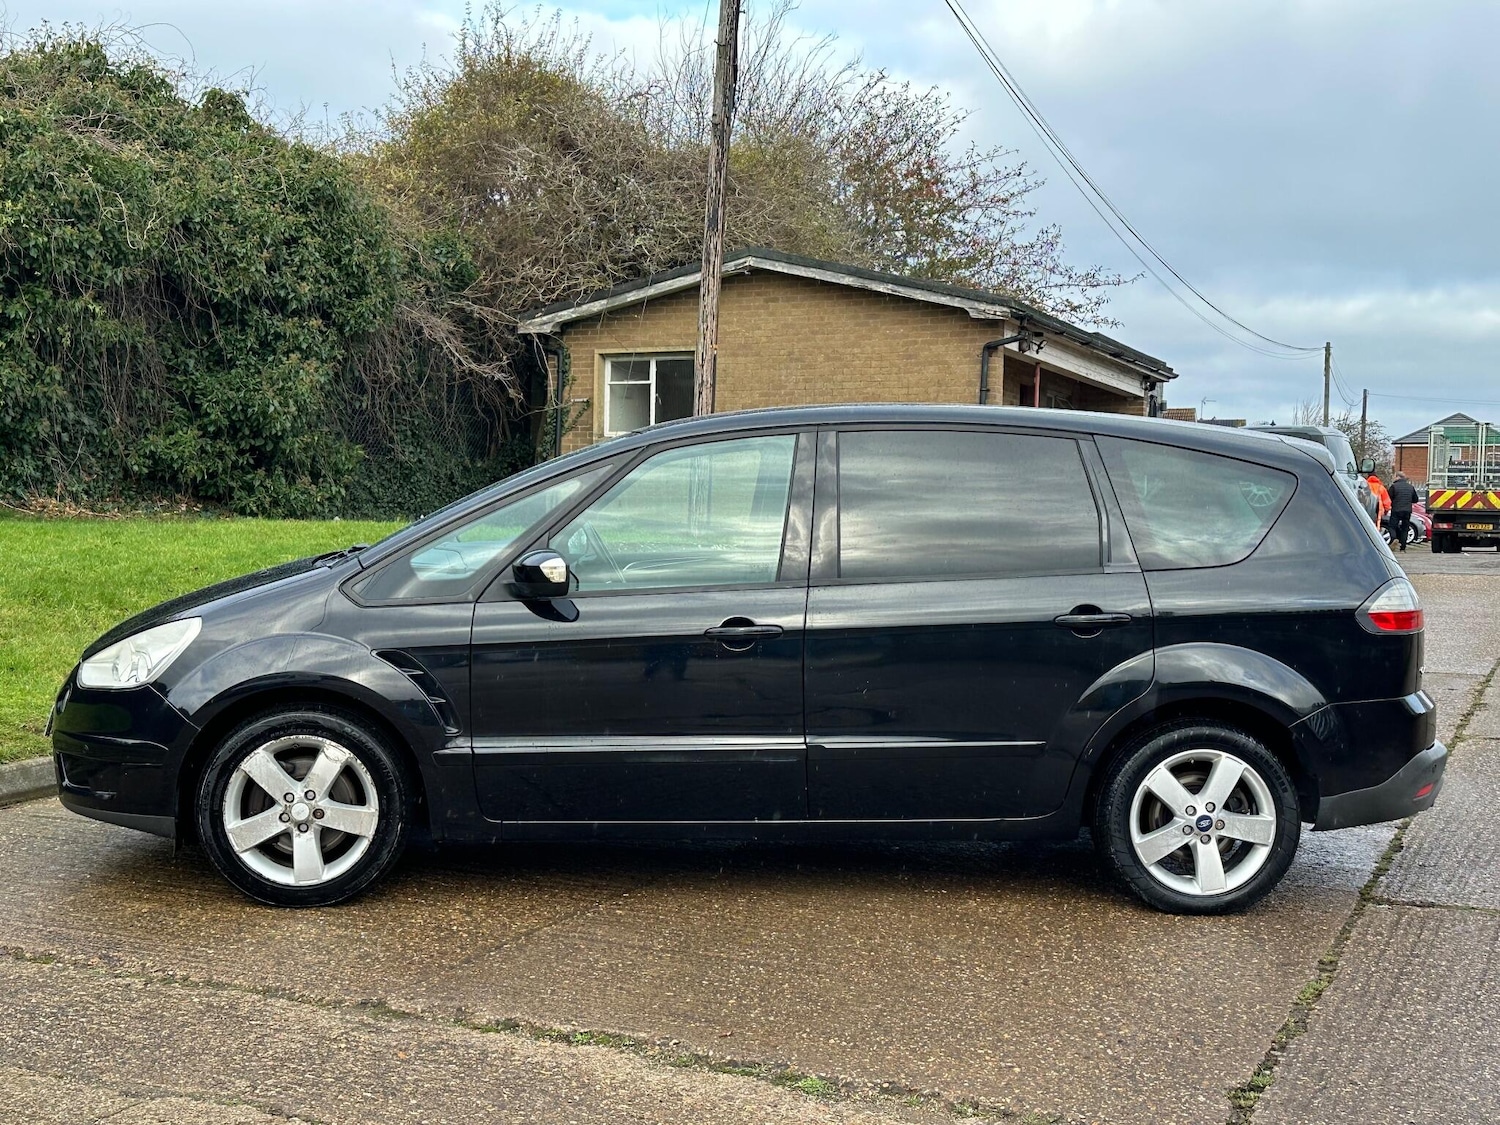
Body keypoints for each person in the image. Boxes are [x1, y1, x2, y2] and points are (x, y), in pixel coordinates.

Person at [1387, 471, 1418, 551]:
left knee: (1392, 526)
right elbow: (1415, 499)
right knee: (1405, 528)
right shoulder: (1410, 487)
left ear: (1398, 477)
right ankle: (1403, 547)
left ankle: (1394, 538)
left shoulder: (1394, 487)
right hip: (1407, 510)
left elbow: (1388, 498)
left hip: (1396, 510)